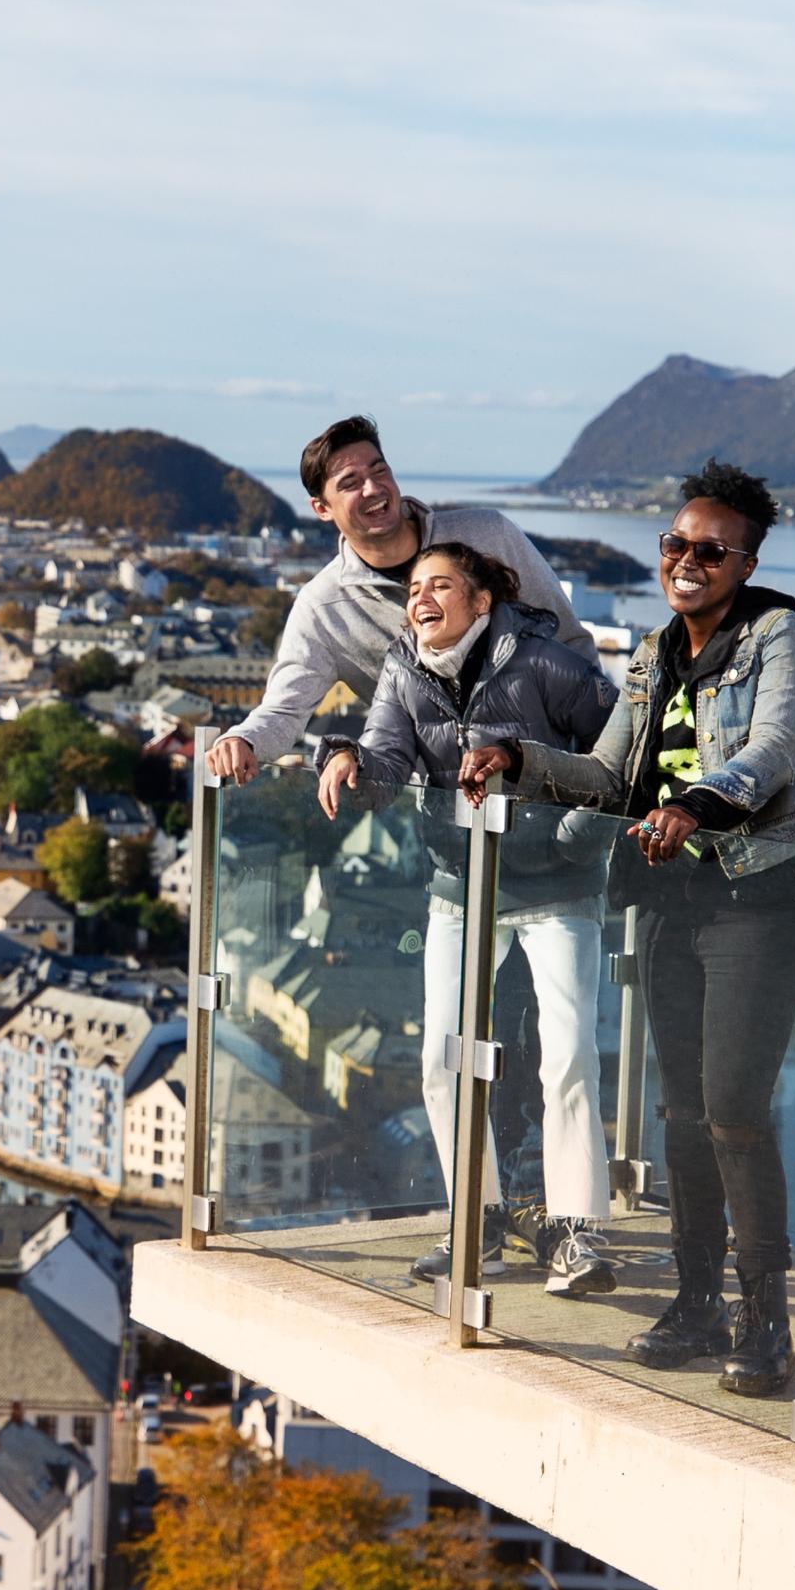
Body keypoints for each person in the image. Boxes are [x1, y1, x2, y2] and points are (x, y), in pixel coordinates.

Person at [497, 460, 795, 1397]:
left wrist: (702, 802)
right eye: (676, 543)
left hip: (761, 897)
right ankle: (696, 1302)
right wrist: (519, 758)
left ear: (745, 560)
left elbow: (777, 747)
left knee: (734, 1112)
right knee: (680, 1114)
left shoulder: (776, 632)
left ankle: (767, 1323)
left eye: (710, 550)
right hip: (673, 903)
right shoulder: (650, 655)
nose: (687, 560)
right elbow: (607, 776)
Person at [322, 540, 619, 1277]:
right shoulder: (404, 667)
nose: (420, 598)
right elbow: (388, 765)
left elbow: (620, 751)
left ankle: (579, 1229)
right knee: (441, 1059)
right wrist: (344, 758)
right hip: (461, 883)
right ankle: (476, 1218)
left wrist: (576, 832)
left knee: (570, 1055)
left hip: (556, 885)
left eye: (440, 586)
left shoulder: (546, 663)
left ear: (481, 601)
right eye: (413, 588)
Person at [202, 416, 572, 786]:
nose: (372, 489)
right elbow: (285, 709)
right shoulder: (324, 607)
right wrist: (243, 738)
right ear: (321, 509)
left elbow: (571, 642)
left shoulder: (490, 534)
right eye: (350, 483)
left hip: (558, 791)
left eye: (379, 471)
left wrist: (592, 775)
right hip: (449, 812)